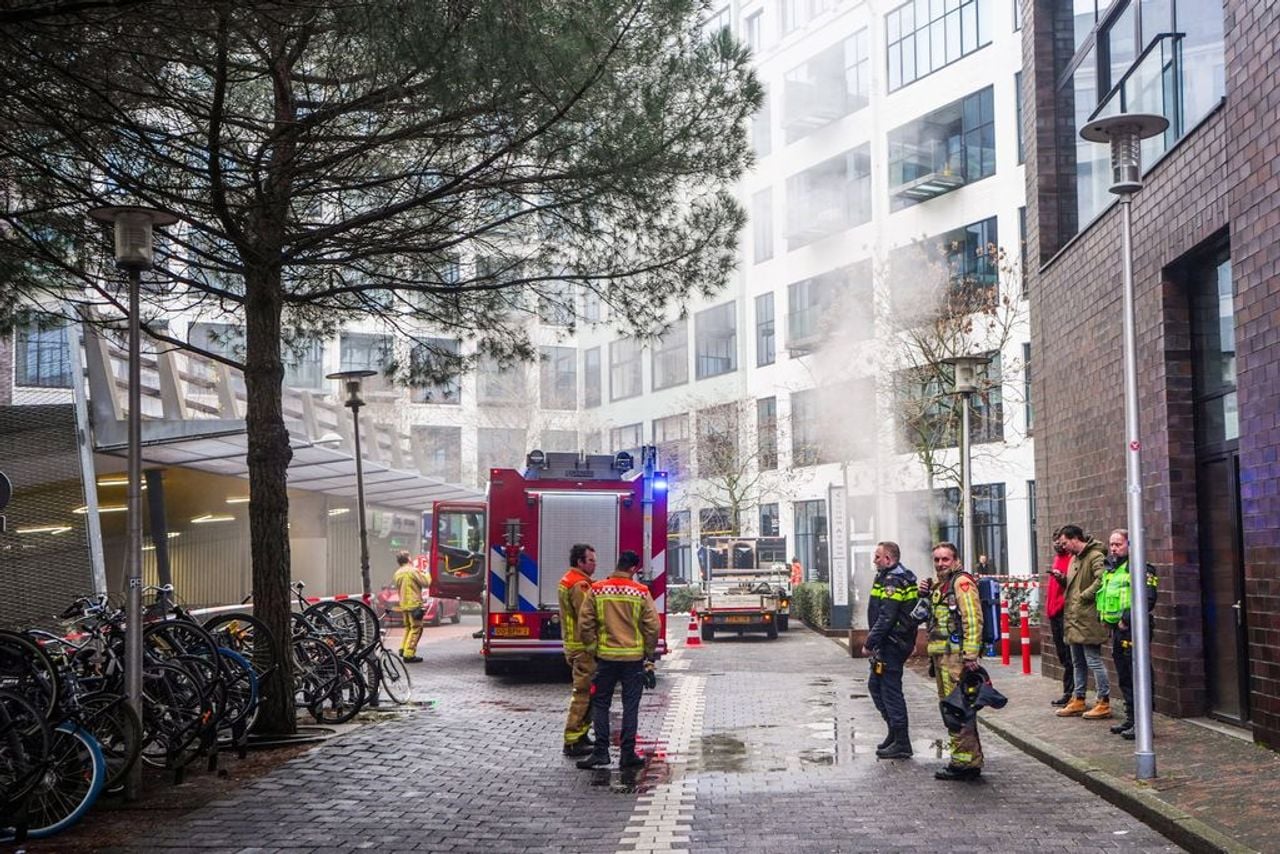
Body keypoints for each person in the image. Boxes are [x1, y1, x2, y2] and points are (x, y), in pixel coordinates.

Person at [575, 550, 660, 770]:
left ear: (618, 564)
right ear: (633, 569)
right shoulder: (641, 592)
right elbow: (653, 626)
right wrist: (649, 655)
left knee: (601, 704)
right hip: (633, 660)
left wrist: (593, 647)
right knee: (630, 706)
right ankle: (627, 754)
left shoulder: (597, 589)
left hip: (605, 658)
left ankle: (601, 752)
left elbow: (584, 623)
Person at [919, 542, 985, 780]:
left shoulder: (962, 583)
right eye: (936, 560)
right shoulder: (942, 585)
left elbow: (973, 619)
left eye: (945, 559)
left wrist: (970, 655)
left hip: (955, 659)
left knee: (958, 709)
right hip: (942, 659)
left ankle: (964, 764)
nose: (940, 564)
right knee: (953, 708)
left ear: (956, 560)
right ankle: (968, 759)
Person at [1098, 529, 1158, 739]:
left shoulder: (1141, 568)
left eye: (1118, 544)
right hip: (1117, 630)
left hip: (1134, 629)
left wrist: (1126, 618)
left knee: (1138, 675)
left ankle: (1144, 724)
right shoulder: (1113, 569)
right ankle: (1132, 719)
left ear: (1130, 545)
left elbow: (1147, 599)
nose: (1114, 548)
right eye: (1112, 544)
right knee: (1125, 677)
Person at [861, 541, 918, 759]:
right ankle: (894, 734)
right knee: (875, 686)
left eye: (877, 556)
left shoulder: (893, 580)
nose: (874, 560)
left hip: (891, 644)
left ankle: (902, 742)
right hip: (893, 643)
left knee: (890, 691)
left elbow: (887, 617)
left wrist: (869, 643)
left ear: (888, 559)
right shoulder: (896, 576)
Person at [1056, 525, 1112, 720]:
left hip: (1087, 618)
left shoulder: (1095, 556)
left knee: (1093, 660)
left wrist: (1085, 595)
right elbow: (1074, 585)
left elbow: (1102, 578)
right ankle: (1078, 698)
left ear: (1075, 538)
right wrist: (1063, 580)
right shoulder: (1073, 559)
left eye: (1064, 542)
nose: (1063, 547)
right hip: (1074, 618)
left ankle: (1103, 700)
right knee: (1077, 661)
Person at [558, 543, 598, 757]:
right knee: (583, 693)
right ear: (580, 562)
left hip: (575, 646)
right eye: (590, 560)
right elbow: (586, 618)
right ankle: (573, 739)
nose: (595, 564)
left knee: (588, 692)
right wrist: (594, 644)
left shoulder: (569, 579)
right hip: (582, 648)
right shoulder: (579, 585)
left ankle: (581, 735)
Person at [1045, 528, 1076, 706]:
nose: (1057, 543)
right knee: (1063, 656)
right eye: (1055, 540)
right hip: (1054, 613)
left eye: (1060, 540)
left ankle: (1070, 693)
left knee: (1070, 656)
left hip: (1063, 612)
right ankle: (1069, 692)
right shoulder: (1057, 559)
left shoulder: (1072, 560)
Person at [392, 551, 429, 663]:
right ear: (408, 559)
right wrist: (427, 573)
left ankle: (403, 649)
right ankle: (409, 654)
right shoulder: (412, 571)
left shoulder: (397, 573)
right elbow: (426, 583)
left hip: (404, 604)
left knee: (408, 627)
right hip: (414, 604)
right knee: (416, 628)